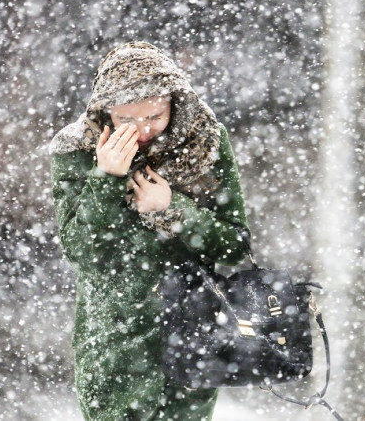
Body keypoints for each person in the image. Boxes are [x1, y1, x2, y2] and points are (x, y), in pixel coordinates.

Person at [50, 42, 250, 420]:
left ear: (176, 103)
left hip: (193, 334)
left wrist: (172, 209)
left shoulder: (205, 141)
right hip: (114, 340)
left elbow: (234, 246)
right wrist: (105, 177)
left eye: (155, 117)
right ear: (105, 110)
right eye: (127, 120)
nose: (142, 131)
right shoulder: (77, 148)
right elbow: (83, 251)